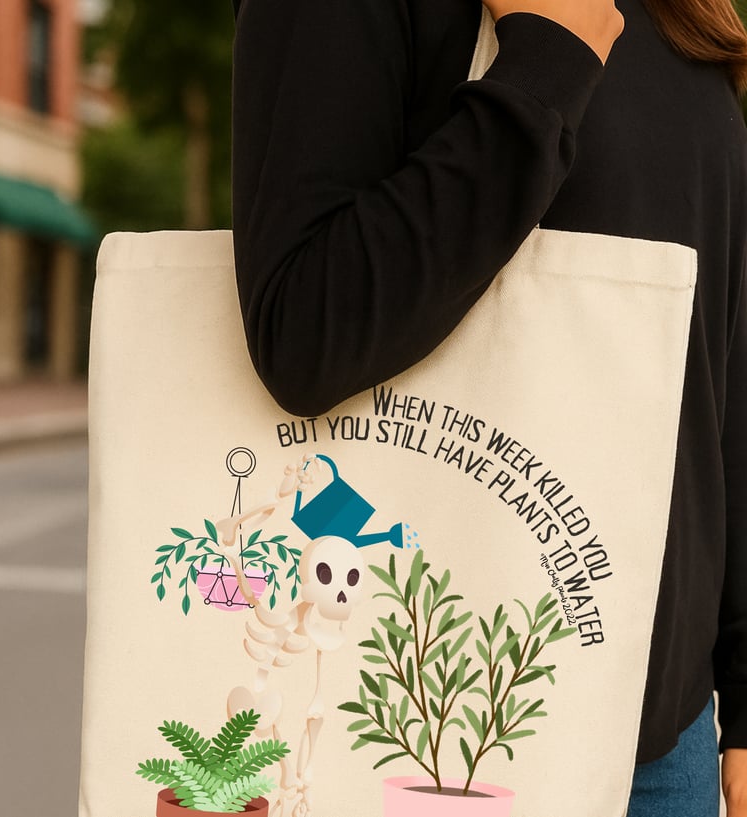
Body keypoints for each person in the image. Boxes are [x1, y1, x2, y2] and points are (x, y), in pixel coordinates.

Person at [230, 0, 747, 813]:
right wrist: (545, 68)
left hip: (665, 742)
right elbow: (303, 329)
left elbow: (715, 360)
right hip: (431, 751)